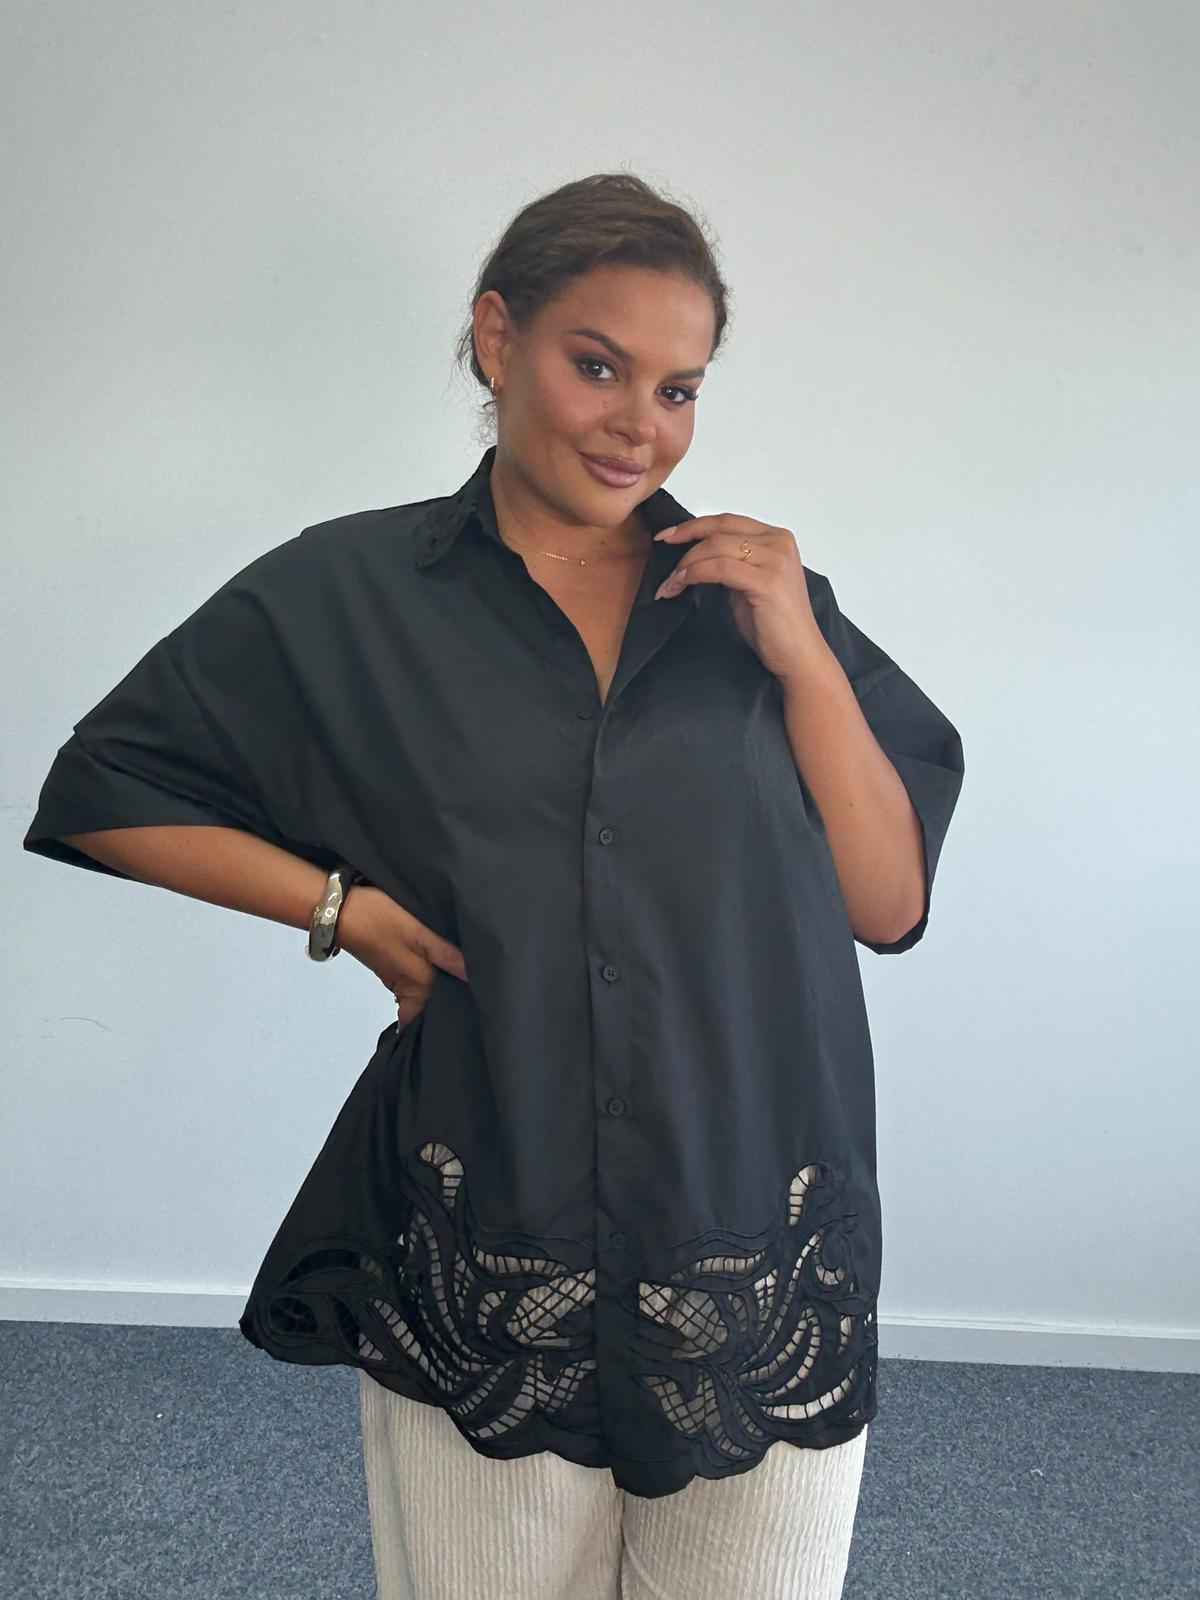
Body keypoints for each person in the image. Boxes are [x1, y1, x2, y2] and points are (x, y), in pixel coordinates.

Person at [23, 171, 965, 1599]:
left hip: (747, 1216)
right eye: (599, 366)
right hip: (497, 1209)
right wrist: (338, 911)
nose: (640, 424)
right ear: (495, 338)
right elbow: (107, 787)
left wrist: (803, 657)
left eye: (679, 389)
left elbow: (885, 905)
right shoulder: (348, 593)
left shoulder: (761, 602)